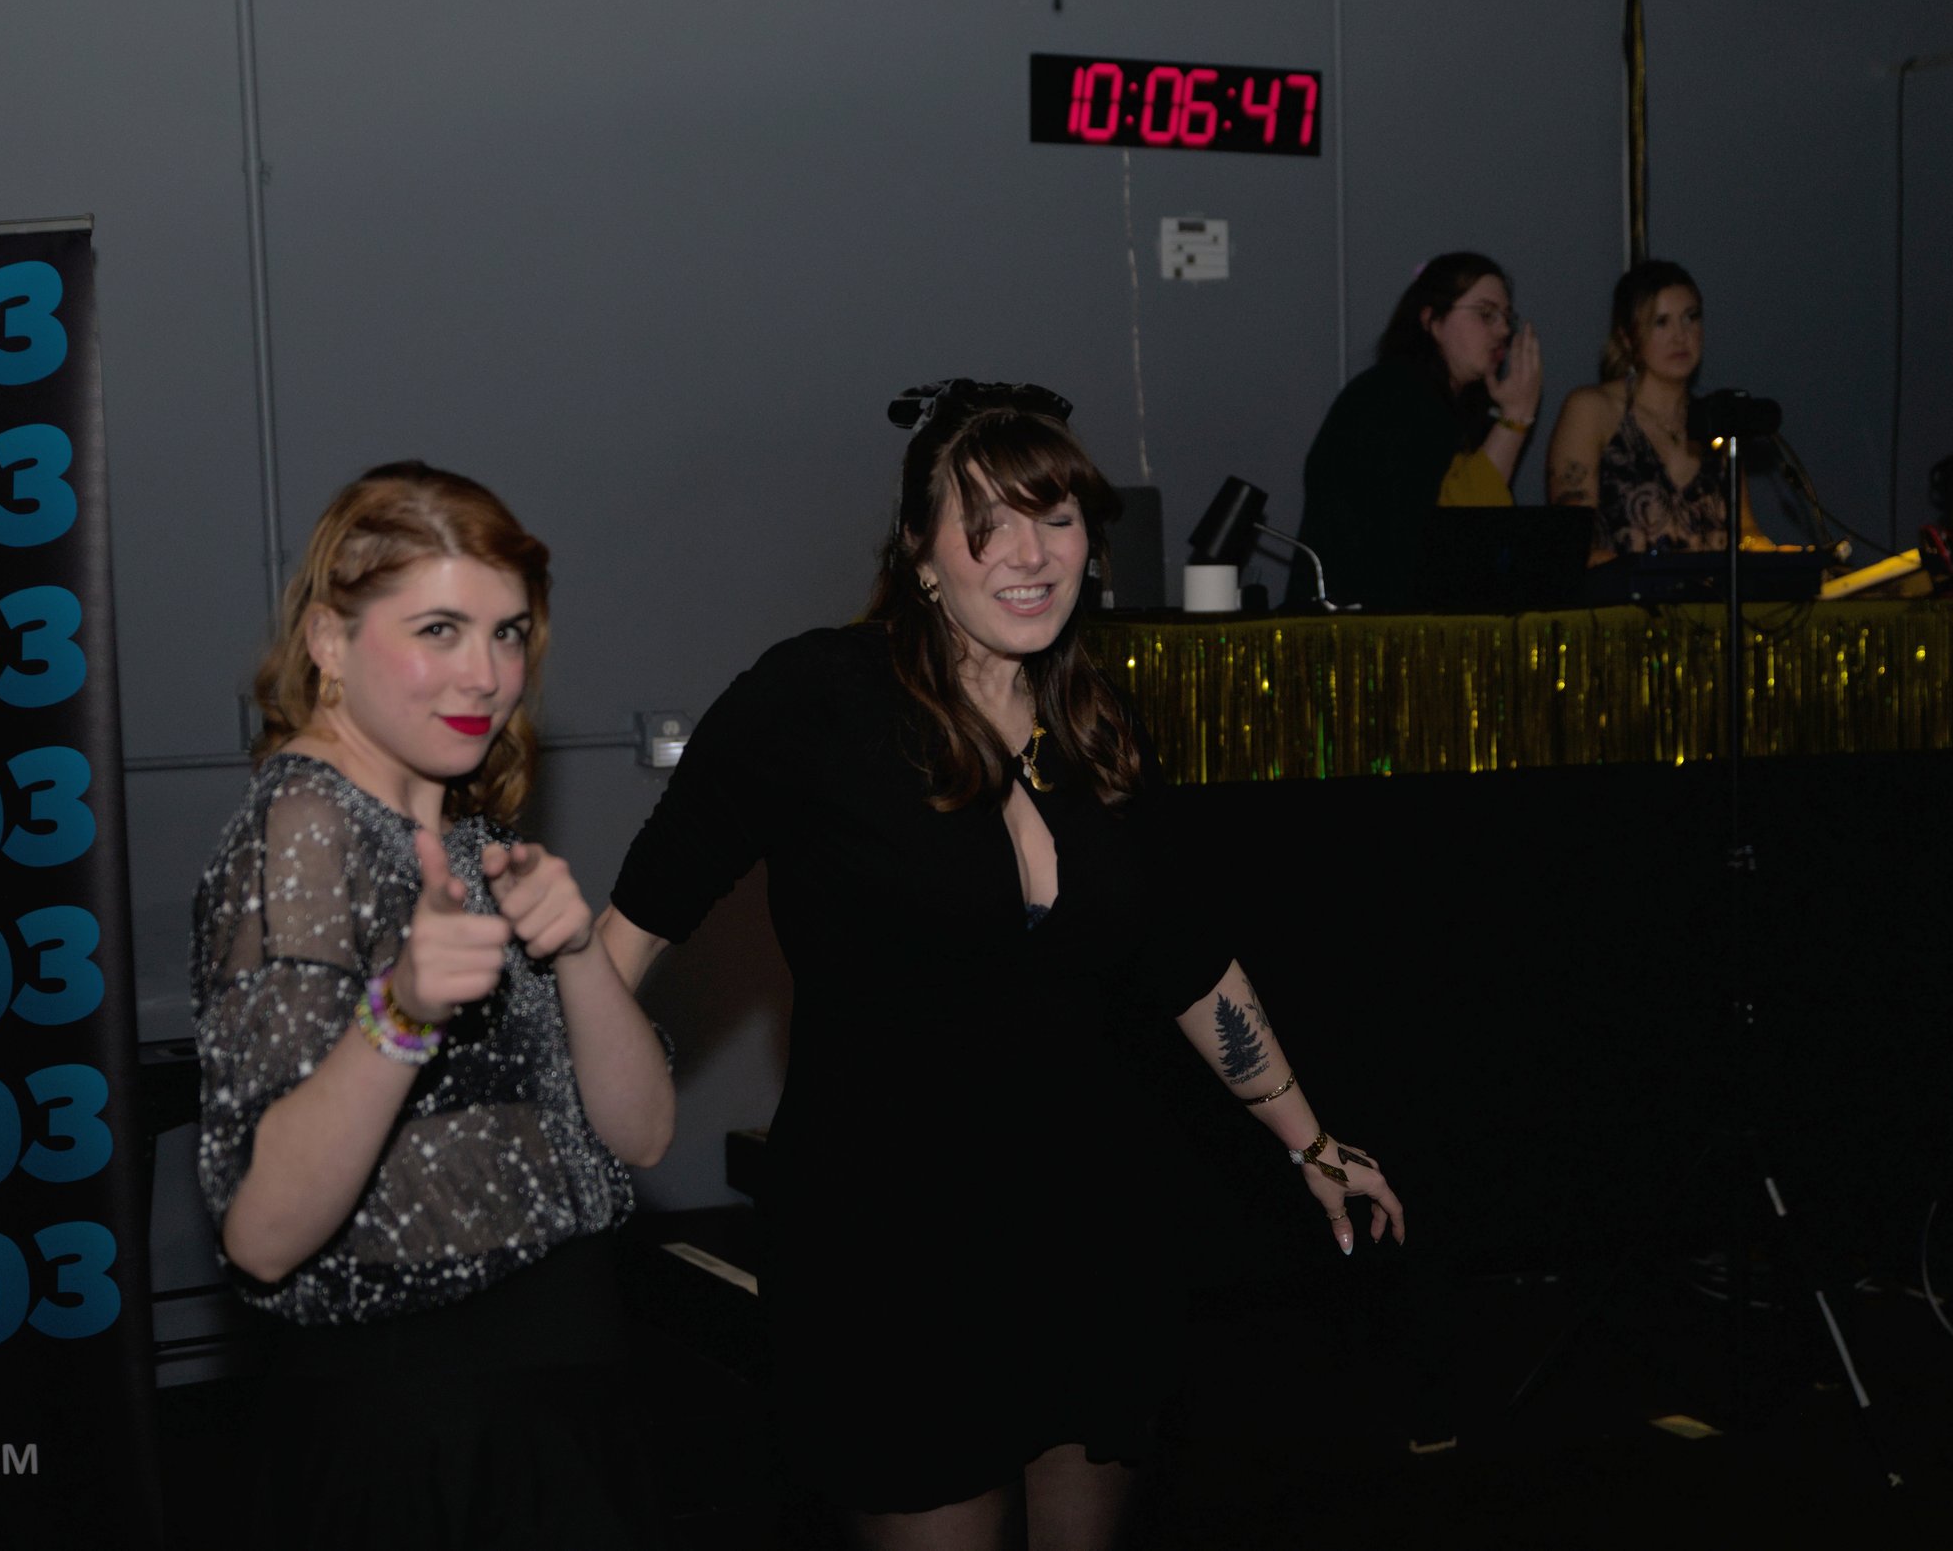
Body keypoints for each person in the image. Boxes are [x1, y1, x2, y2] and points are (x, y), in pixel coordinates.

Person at [599, 382, 1406, 1550]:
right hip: (891, 1252)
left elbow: (1189, 961)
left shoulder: (1095, 724)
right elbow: (624, 936)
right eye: (986, 523)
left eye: (1056, 518)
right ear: (921, 555)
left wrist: (1310, 1142)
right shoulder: (815, 701)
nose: (1029, 555)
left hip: (1090, 1237)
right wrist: (532, 1133)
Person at [191, 462, 675, 1549]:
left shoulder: (462, 834)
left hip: (559, 1408)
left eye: (508, 634)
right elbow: (261, 1233)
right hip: (422, 1438)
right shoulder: (304, 829)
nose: (486, 675)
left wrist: (578, 953)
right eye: (440, 630)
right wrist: (402, 1014)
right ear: (329, 641)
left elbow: (641, 1135)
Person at [1287, 252, 1546, 607]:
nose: (1503, 330)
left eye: (1507, 318)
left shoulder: (1464, 411)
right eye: (1486, 314)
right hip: (1357, 625)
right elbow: (1449, 535)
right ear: (1432, 320)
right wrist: (1515, 420)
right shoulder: (1391, 397)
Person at [1545, 259, 1769, 560]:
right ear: (1627, 337)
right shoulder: (1593, 410)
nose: (1680, 335)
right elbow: (1572, 541)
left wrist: (1791, 559)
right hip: (1621, 589)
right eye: (1661, 322)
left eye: (1690, 318)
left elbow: (1747, 535)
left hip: (1711, 590)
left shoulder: (1716, 419)